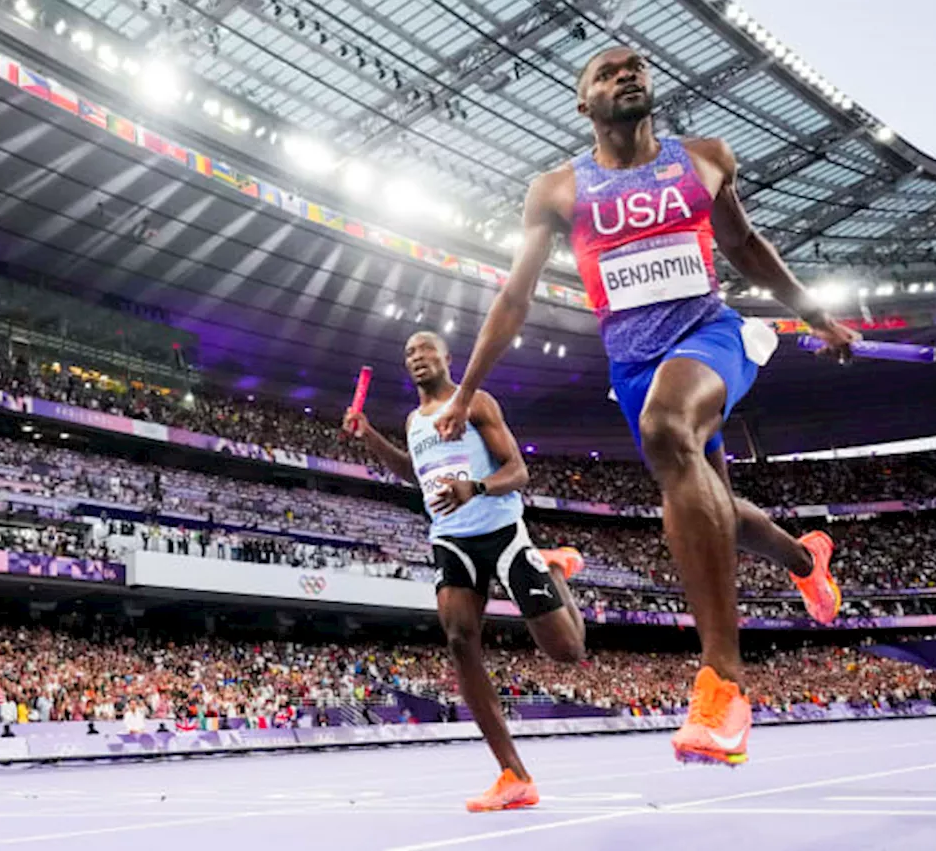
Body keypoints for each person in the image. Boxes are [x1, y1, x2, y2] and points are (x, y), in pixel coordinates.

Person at [433, 47, 854, 767]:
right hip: (633, 365)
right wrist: (466, 390)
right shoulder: (559, 189)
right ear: (582, 102)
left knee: (668, 430)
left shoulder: (705, 159)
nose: (626, 75)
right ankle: (803, 556)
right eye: (605, 72)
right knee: (713, 499)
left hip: (708, 335)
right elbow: (514, 297)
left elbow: (745, 244)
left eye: (636, 67)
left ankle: (724, 685)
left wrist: (813, 313)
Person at [344, 330, 587, 812]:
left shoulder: (475, 403)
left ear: (447, 358)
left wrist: (473, 487)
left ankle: (555, 570)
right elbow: (414, 475)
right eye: (408, 351)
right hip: (451, 539)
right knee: (458, 640)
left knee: (566, 652)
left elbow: (517, 471)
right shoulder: (415, 421)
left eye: (425, 349)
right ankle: (513, 774)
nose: (416, 356)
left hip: (500, 530)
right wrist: (369, 436)